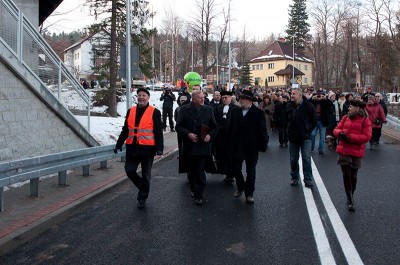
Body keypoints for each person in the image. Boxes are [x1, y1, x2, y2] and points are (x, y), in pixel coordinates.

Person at [114, 88, 164, 209]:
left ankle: (142, 198)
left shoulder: (155, 112)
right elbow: (126, 130)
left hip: (147, 149)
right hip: (132, 148)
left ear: (148, 98)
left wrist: (159, 148)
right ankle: (143, 187)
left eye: (143, 95)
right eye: (139, 95)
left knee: (146, 174)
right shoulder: (131, 111)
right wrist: (119, 144)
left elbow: (158, 132)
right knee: (129, 170)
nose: (141, 97)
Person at [175, 90, 219, 206]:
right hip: (189, 146)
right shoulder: (184, 110)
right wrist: (188, 134)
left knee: (200, 170)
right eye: (200, 98)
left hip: (203, 146)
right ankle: (194, 189)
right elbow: (178, 127)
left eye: (203, 97)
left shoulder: (208, 110)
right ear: (193, 99)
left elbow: (215, 128)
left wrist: (210, 136)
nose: (202, 99)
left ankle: (199, 195)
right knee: (192, 171)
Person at [227, 89, 268, 204]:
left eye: (244, 99)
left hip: (251, 147)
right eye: (240, 98)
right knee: (235, 169)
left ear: (250, 100)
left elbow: (262, 131)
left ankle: (249, 193)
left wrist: (262, 145)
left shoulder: (258, 113)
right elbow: (230, 128)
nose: (241, 101)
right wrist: (228, 143)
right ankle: (240, 187)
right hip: (237, 146)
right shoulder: (235, 111)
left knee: (251, 171)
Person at [333, 100, 372, 211]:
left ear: (358, 108)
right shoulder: (345, 118)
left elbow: (366, 136)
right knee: (346, 174)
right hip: (344, 150)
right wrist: (339, 133)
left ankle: (351, 193)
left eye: (351, 107)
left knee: (353, 176)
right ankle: (349, 198)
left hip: (356, 151)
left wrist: (350, 138)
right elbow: (336, 129)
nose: (349, 109)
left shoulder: (365, 121)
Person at [286, 88, 317, 188]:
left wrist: (308, 131)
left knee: (306, 159)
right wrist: (288, 130)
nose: (291, 95)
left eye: (294, 94)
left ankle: (308, 179)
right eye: (291, 93)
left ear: (300, 95)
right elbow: (286, 119)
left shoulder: (308, 106)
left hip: (305, 138)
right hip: (293, 137)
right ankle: (294, 177)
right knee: (293, 159)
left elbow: (314, 121)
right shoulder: (289, 105)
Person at [214, 90, 238, 184]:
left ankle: (230, 175)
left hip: (231, 136)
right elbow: (215, 120)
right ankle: (225, 172)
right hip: (221, 136)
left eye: (226, 97)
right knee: (222, 155)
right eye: (222, 97)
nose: (224, 99)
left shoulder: (235, 108)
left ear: (230, 98)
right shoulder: (218, 108)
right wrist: (220, 127)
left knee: (231, 156)